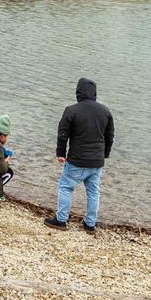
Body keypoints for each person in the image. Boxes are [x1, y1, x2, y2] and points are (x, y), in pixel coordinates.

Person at [44, 78, 114, 233]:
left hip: (77, 159)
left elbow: (63, 134)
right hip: (97, 161)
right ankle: (90, 224)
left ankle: (61, 220)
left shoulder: (71, 110)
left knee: (66, 187)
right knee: (93, 192)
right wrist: (105, 154)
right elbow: (109, 136)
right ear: (94, 93)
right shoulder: (105, 111)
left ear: (78, 92)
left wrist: (60, 153)